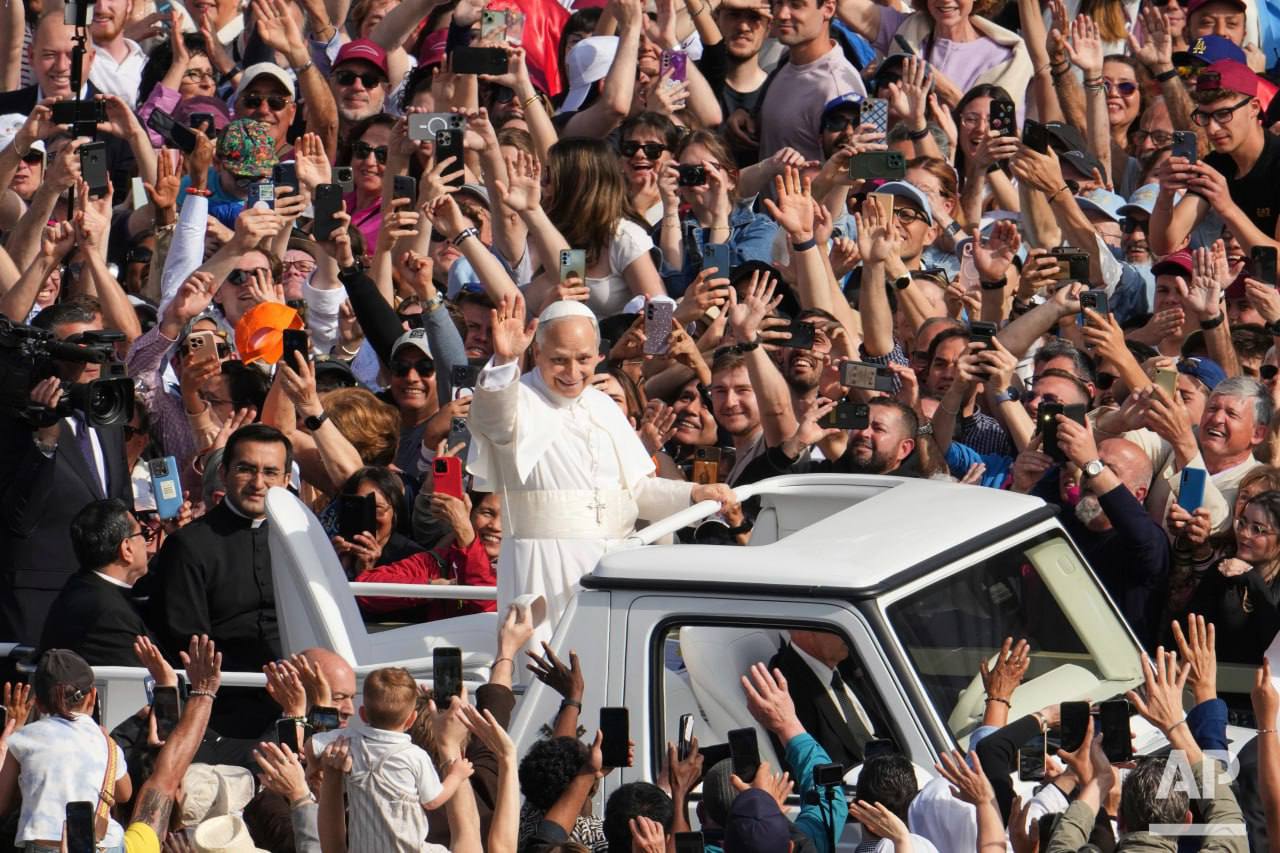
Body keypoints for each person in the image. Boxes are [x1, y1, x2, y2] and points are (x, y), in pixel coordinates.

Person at [468, 295, 733, 643]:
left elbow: (636, 492)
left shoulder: (603, 406)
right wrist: (504, 361)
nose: (572, 372)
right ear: (537, 354)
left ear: (599, 356)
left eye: (583, 360)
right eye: (559, 360)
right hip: (543, 566)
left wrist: (694, 493)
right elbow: (493, 419)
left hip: (610, 564)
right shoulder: (519, 400)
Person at [0, 300, 134, 646]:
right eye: (80, 348)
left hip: (106, 599)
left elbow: (117, 502)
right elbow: (18, 519)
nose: (94, 358)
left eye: (101, 346)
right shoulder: (14, 418)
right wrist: (44, 439)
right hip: (38, 600)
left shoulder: (108, 412)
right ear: (51, 353)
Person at [148, 424, 290, 738]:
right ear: (223, 474)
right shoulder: (190, 545)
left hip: (293, 695)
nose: (258, 483)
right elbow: (189, 640)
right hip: (223, 705)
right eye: (246, 469)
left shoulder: (298, 541)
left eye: (270, 473)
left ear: (287, 480)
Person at [311, 667, 474, 851]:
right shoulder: (415, 756)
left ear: (363, 714)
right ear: (411, 719)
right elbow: (432, 801)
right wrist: (456, 775)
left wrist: (314, 768)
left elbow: (312, 744)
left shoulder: (350, 740)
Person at [0, 649, 132, 851]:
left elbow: (2, 803)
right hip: (105, 845)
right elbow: (124, 794)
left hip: (45, 847)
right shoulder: (106, 741)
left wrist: (16, 728)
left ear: (39, 704)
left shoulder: (22, 740)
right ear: (92, 696)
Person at [38, 500, 155, 666]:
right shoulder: (111, 616)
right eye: (142, 533)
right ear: (126, 549)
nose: (146, 542)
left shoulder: (82, 586)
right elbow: (138, 683)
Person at [756, 0, 864, 161]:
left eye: (796, 5)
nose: (781, 14)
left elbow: (850, 178)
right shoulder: (788, 60)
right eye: (778, 3)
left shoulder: (837, 88)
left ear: (828, 9)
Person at [767, 629, 883, 771]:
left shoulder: (853, 662)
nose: (846, 632)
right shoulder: (787, 689)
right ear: (802, 630)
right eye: (836, 627)